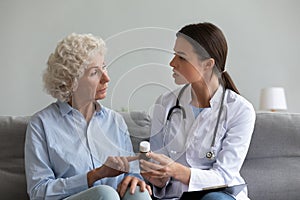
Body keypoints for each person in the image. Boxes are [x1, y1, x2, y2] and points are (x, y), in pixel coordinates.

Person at [24, 33, 152, 200]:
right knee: (105, 193)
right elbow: (38, 192)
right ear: (71, 82)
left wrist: (135, 179)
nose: (106, 78)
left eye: (104, 67)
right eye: (94, 73)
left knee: (138, 193)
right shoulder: (41, 124)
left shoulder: (115, 121)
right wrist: (95, 175)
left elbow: (132, 171)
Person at [140, 22, 256, 200]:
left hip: (219, 194)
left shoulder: (240, 110)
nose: (172, 63)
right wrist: (158, 177)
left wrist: (179, 171)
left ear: (208, 64)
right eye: (174, 54)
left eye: (182, 57)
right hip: (174, 196)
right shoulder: (165, 103)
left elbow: (224, 176)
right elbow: (158, 161)